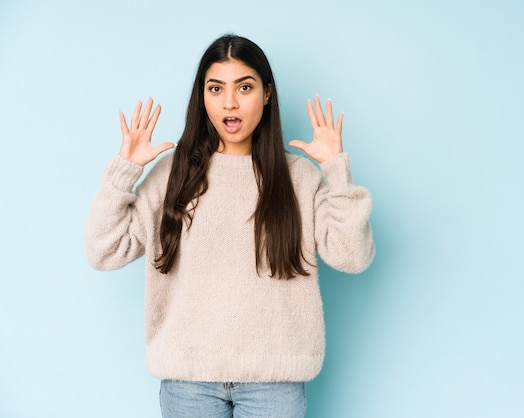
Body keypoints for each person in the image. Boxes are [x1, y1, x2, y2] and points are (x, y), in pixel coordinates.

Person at [85, 34, 375, 418]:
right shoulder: (172, 176)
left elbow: (352, 256)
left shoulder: (299, 178)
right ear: (202, 96)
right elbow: (104, 251)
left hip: (274, 382)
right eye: (216, 88)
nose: (230, 102)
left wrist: (337, 172)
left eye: (245, 87)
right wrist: (125, 174)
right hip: (188, 382)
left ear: (267, 94)